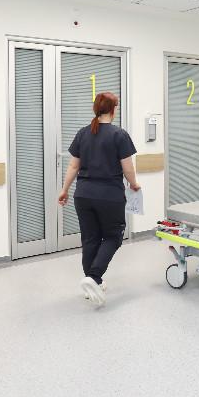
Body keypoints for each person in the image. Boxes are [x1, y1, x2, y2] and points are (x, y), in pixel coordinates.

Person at [57, 92, 140, 306]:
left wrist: (64, 190)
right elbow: (128, 168)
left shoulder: (83, 133)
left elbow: (73, 166)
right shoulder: (119, 135)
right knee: (113, 237)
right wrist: (134, 184)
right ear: (113, 109)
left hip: (83, 195)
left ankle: (92, 283)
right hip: (109, 196)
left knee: (90, 239)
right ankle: (93, 277)